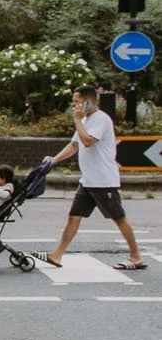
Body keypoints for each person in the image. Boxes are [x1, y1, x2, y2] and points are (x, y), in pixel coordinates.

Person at [43, 85, 146, 271]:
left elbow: (88, 142)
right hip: (88, 180)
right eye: (74, 102)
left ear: (89, 101)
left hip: (103, 180)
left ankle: (136, 256)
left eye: (77, 102)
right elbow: (74, 145)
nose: (74, 105)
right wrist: (54, 160)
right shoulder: (85, 120)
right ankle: (56, 255)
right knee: (74, 216)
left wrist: (77, 120)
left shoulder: (101, 120)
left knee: (119, 217)